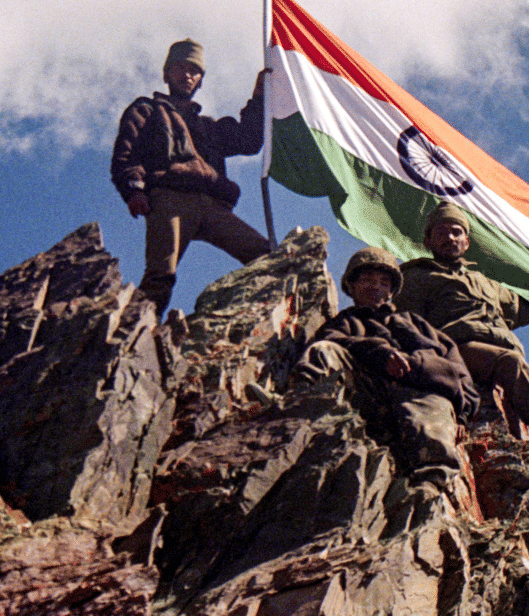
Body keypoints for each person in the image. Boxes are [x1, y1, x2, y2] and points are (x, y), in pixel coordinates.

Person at [395, 202, 529, 478]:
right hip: (455, 352)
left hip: (496, 354)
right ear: (428, 240)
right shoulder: (416, 277)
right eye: (441, 233)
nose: (450, 238)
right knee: (509, 362)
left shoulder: (487, 283)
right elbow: (402, 321)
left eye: (456, 232)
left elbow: (521, 310)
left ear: (467, 241)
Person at [111, 39, 273, 315]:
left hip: (212, 204)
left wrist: (260, 96)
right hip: (169, 198)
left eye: (194, 71)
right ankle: (134, 332)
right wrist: (134, 190)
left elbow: (248, 140)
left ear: (200, 80)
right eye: (179, 68)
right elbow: (126, 155)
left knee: (268, 256)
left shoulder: (208, 127)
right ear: (166, 74)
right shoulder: (147, 110)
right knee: (161, 274)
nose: (186, 74)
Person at [295, 247, 481, 483]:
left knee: (434, 431)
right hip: (371, 392)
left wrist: (462, 415)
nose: (375, 287)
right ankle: (298, 408)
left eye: (383, 282)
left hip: (419, 393)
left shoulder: (417, 324)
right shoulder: (346, 322)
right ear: (351, 287)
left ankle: (428, 491)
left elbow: (458, 370)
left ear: (392, 291)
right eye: (367, 280)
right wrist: (377, 353)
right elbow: (331, 341)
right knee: (322, 351)